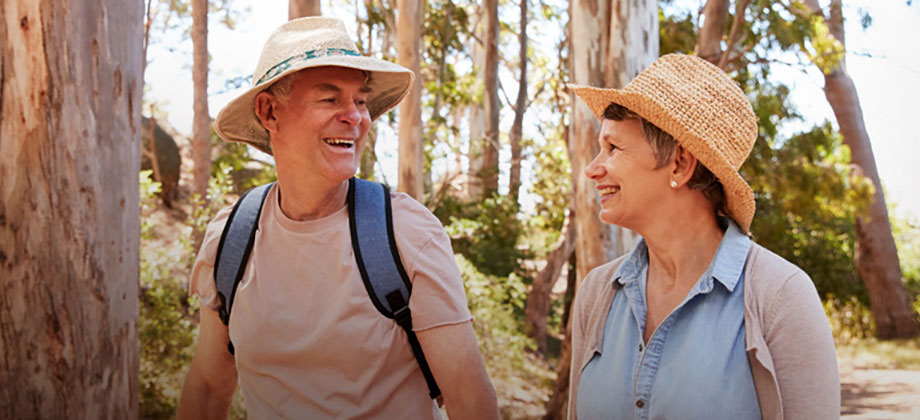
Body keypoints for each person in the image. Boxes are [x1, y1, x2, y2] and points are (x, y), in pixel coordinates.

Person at [177, 17, 497, 419]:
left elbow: (472, 404)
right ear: (269, 111)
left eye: (360, 101)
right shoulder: (231, 239)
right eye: (330, 100)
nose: (356, 117)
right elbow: (207, 389)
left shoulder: (406, 233)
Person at [566, 54, 840, 419]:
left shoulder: (780, 297)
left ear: (679, 163)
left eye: (613, 148)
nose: (592, 169)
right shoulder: (596, 294)